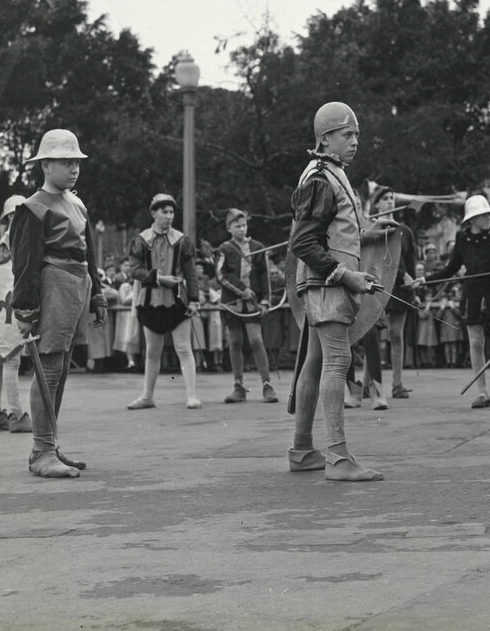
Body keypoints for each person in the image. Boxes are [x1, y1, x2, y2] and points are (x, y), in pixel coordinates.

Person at [288, 101, 383, 481]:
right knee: (336, 363)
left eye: (357, 134)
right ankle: (339, 459)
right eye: (347, 134)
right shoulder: (321, 178)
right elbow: (304, 243)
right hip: (326, 284)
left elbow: (332, 232)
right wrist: (347, 275)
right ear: (325, 139)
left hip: (324, 283)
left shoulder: (330, 174)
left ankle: (302, 450)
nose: (355, 141)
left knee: (315, 362)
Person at [10, 129, 106, 478]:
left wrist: (97, 295)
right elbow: (24, 263)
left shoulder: (77, 203)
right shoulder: (31, 208)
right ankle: (41, 450)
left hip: (78, 282)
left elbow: (89, 251)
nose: (74, 168)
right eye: (66, 162)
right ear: (45, 165)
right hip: (53, 283)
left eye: (76, 162)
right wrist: (25, 310)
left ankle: (50, 445)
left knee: (62, 368)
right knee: (48, 369)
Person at [425, 194, 490, 409]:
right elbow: (450, 269)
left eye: (488, 214)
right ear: (472, 219)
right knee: (476, 344)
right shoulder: (461, 239)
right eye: (482, 215)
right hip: (472, 297)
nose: (487, 217)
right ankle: (482, 393)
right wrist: (426, 281)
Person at [125, 194, 202, 410]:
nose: (169, 217)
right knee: (152, 350)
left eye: (171, 212)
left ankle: (192, 396)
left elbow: (191, 273)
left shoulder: (182, 240)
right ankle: (147, 396)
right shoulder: (141, 240)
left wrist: (194, 299)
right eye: (164, 212)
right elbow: (135, 270)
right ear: (153, 213)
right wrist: (159, 278)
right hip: (150, 301)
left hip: (178, 301)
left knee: (184, 348)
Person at [216, 209, 278, 404]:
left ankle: (267, 385)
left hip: (252, 305)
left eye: (244, 225)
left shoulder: (257, 247)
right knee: (234, 342)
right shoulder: (224, 249)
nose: (242, 229)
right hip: (232, 304)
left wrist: (266, 300)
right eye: (237, 226)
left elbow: (264, 277)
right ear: (229, 228)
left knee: (256, 340)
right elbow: (221, 275)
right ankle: (238, 386)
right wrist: (242, 290)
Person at [0, 195, 32, 432]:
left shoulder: (7, 241)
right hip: (8, 307)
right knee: (11, 358)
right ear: (12, 216)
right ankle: (16, 414)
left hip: (1, 307)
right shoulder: (11, 242)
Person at [366, 184, 417, 399]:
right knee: (372, 336)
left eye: (392, 197)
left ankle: (397, 384)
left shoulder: (405, 231)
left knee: (396, 335)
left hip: (401, 289)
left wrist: (415, 289)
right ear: (376, 203)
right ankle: (369, 384)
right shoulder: (371, 229)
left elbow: (410, 263)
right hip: (377, 286)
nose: (390, 201)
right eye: (385, 198)